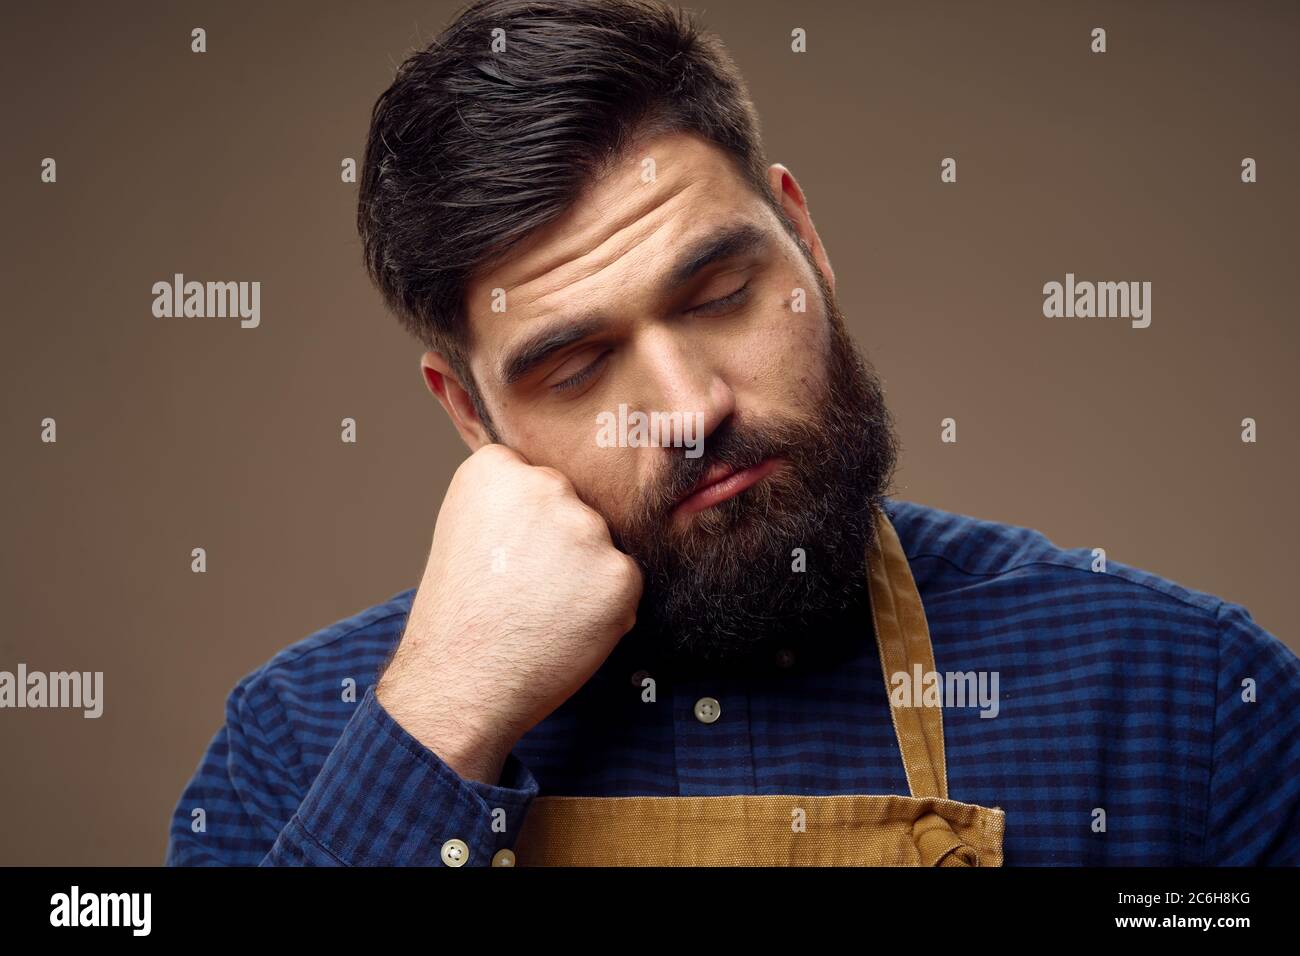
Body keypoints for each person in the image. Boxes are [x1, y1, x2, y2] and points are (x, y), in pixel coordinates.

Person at [166, 0, 1300, 866]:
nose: (691, 407)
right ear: (471, 414)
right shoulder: (299, 742)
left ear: (802, 238)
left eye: (718, 294)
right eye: (575, 365)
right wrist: (438, 722)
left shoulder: (1182, 700)